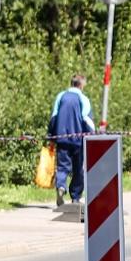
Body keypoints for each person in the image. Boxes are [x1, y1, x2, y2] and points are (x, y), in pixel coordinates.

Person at [49, 75, 97, 207]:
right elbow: (87, 120)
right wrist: (93, 136)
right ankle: (75, 197)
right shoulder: (83, 98)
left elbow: (54, 117)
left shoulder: (61, 96)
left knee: (63, 167)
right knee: (78, 169)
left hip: (61, 138)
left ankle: (61, 187)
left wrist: (51, 136)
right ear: (81, 85)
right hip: (78, 139)